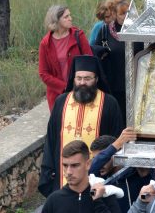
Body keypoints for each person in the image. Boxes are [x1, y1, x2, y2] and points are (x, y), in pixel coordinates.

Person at [39, 56, 124, 196]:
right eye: (79, 78)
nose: (82, 83)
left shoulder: (109, 103)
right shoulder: (61, 102)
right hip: (63, 177)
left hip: (96, 178)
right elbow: (51, 139)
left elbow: (116, 139)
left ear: (96, 79)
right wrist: (49, 170)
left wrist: (111, 162)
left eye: (87, 78)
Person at [42, 141, 121, 213]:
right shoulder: (54, 200)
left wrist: (97, 201)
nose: (69, 172)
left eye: (75, 165)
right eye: (65, 165)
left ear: (88, 164)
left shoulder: (105, 195)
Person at [39, 5, 92, 110]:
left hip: (81, 92)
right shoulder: (45, 43)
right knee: (61, 125)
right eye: (66, 16)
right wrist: (65, 86)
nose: (70, 18)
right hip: (57, 97)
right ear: (56, 20)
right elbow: (43, 73)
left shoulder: (79, 36)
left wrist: (80, 84)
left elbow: (90, 62)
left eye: (70, 15)